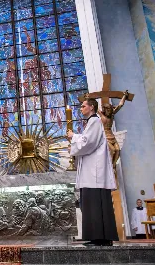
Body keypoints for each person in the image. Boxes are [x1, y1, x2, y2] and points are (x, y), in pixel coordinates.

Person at [67, 98, 118, 246]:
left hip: (94, 173)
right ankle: (98, 238)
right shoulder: (92, 122)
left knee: (95, 204)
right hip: (91, 172)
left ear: (91, 107)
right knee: (92, 204)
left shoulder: (95, 121)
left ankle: (100, 238)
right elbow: (87, 142)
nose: (81, 108)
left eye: (83, 106)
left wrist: (73, 137)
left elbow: (89, 142)